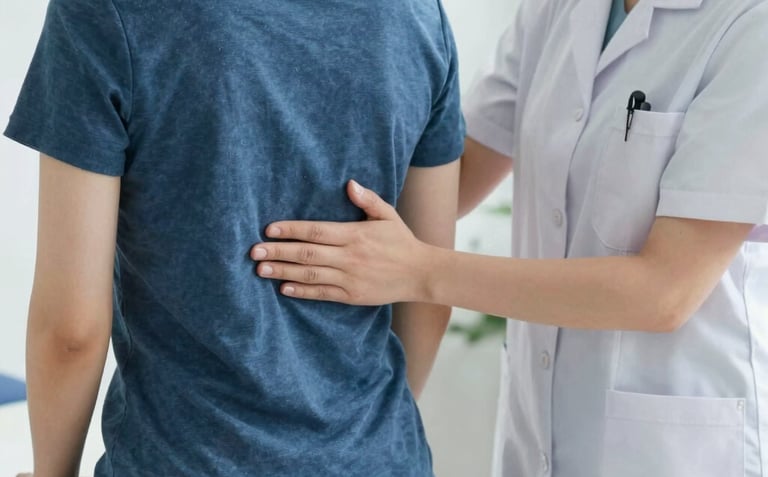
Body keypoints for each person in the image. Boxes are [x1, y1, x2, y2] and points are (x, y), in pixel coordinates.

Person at [250, 0, 768, 475]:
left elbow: (664, 293)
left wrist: (418, 271)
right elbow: (446, 178)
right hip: (537, 432)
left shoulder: (751, 25)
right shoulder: (560, 9)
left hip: (678, 446)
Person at [4, 0, 464, 475]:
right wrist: (360, 439)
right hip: (382, 458)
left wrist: (51, 472)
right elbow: (427, 291)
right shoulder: (421, 18)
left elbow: (71, 331)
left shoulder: (108, 11)